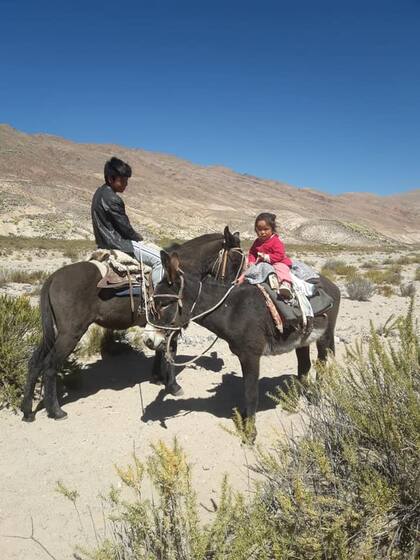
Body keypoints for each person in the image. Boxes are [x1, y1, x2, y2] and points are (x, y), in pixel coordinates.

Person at [91, 156, 163, 287]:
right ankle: (159, 300)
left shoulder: (99, 193)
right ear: (110, 179)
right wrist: (139, 238)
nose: (126, 184)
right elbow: (125, 228)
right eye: (122, 181)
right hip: (118, 243)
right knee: (161, 260)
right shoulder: (113, 199)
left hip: (103, 242)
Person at [237, 212, 293, 298]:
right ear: (256, 230)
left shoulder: (275, 241)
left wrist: (266, 257)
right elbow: (252, 252)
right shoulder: (257, 242)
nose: (262, 232)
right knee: (247, 267)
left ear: (272, 229)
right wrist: (251, 261)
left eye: (266, 229)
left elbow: (280, 255)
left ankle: (286, 284)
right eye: (260, 230)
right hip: (262, 263)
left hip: (277, 261)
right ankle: (240, 279)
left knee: (281, 268)